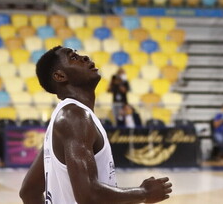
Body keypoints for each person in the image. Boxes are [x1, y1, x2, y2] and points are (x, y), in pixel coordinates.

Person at [19, 46, 172, 203]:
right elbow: (88, 196)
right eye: (73, 58)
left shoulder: (65, 117)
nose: (84, 57)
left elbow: (29, 191)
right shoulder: (75, 117)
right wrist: (143, 193)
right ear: (60, 76)